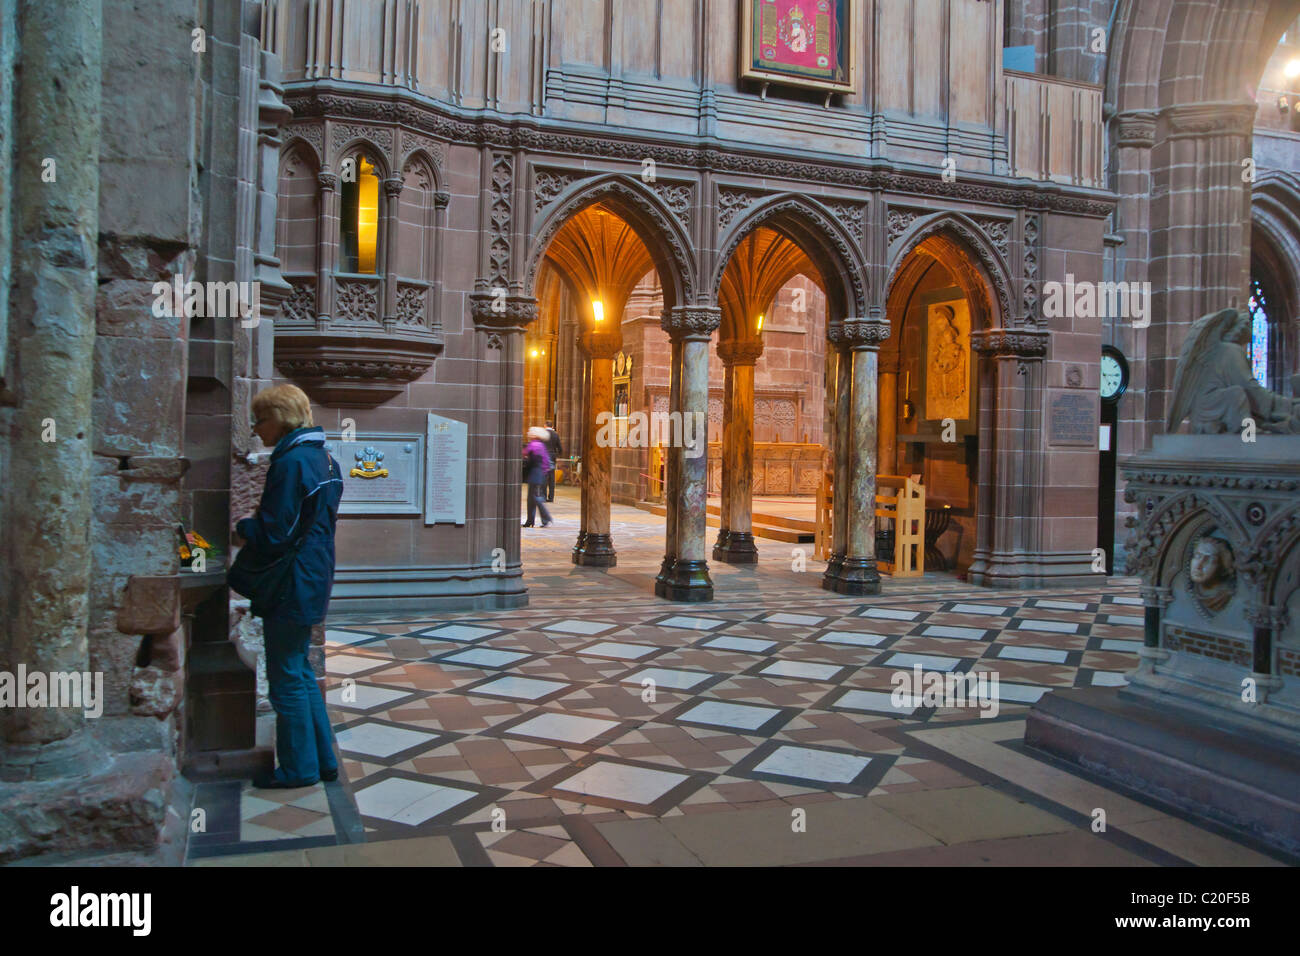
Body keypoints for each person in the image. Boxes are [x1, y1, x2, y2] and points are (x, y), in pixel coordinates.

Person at [233, 384, 344, 789]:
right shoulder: (323, 458)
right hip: (313, 576)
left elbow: (277, 532)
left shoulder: (292, 461)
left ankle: (299, 769)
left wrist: (243, 527)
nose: (256, 428)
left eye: (260, 419)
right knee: (299, 669)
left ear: (280, 418)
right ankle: (323, 761)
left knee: (285, 677)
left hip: (292, 581)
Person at [522, 426, 553, 528]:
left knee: (535, 497)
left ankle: (546, 518)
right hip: (539, 474)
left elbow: (525, 455)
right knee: (532, 498)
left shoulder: (534, 445)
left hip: (535, 474)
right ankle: (530, 520)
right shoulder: (541, 445)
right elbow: (546, 462)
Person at [544, 420, 563, 502]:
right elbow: (560, 448)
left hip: (544, 456)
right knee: (551, 477)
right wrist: (557, 454)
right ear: (552, 426)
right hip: (552, 456)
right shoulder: (556, 434)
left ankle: (543, 496)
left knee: (544, 477)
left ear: (545, 425)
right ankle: (551, 497)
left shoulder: (543, 433)